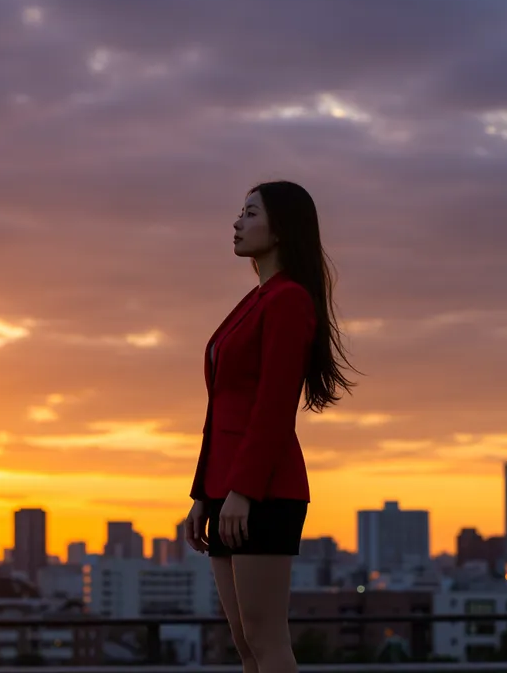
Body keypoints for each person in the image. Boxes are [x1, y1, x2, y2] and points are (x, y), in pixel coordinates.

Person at [184, 180, 358, 673]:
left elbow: (274, 405)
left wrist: (242, 491)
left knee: (267, 639)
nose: (237, 223)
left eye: (251, 213)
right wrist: (203, 495)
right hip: (228, 489)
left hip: (262, 490)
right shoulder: (254, 300)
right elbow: (221, 410)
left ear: (280, 228)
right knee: (244, 643)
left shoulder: (288, 300)